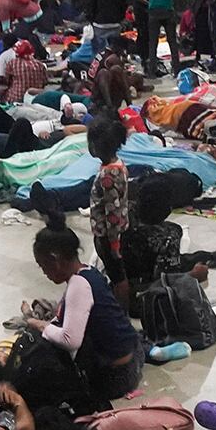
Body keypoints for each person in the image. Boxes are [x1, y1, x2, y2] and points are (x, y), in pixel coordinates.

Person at [21, 216, 144, 402]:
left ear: (55, 260)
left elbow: (69, 340)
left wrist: (38, 324)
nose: (44, 273)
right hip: (134, 354)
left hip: (117, 376)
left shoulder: (78, 285)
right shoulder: (89, 272)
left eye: (43, 266)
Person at [86, 118, 131, 305]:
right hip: (117, 230)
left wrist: (114, 244)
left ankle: (122, 310)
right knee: (116, 273)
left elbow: (112, 212)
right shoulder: (117, 165)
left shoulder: (108, 176)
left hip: (109, 235)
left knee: (117, 275)